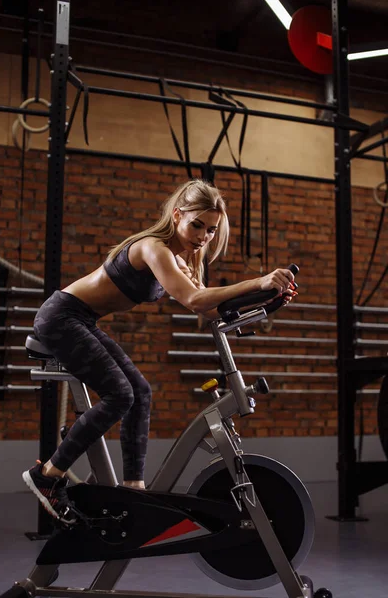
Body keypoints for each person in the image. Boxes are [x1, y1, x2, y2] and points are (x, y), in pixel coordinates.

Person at [22, 179, 297, 523]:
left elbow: (209, 309)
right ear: (178, 215)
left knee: (141, 392)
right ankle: (48, 476)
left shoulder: (184, 260)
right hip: (61, 317)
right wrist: (259, 281)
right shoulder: (153, 248)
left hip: (83, 320)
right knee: (120, 395)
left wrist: (267, 303)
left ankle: (133, 489)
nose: (203, 236)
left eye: (211, 231)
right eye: (197, 225)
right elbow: (196, 299)